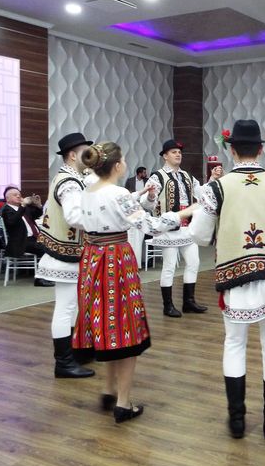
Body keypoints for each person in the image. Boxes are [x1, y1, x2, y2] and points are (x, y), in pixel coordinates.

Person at [189, 120, 265, 439]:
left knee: (234, 344)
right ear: (260, 150)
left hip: (235, 279)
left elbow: (199, 235)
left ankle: (237, 421)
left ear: (232, 151)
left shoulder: (216, 188)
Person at [75, 141, 195, 424]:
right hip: (116, 259)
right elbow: (150, 225)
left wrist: (137, 196)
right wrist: (185, 213)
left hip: (92, 258)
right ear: (117, 165)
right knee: (124, 327)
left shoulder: (87, 191)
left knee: (105, 324)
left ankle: (108, 390)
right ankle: (123, 402)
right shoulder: (118, 194)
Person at [35, 132, 97, 379]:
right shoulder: (69, 182)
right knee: (65, 307)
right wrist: (101, 220)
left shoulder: (74, 178)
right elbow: (74, 216)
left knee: (72, 306)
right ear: (72, 155)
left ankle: (73, 353)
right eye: (85, 152)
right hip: (65, 254)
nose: (89, 156)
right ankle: (63, 362)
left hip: (70, 251)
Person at [142, 139, 223, 317]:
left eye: (179, 152)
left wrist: (212, 179)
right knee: (169, 266)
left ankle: (189, 301)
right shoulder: (157, 177)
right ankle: (168, 305)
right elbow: (146, 204)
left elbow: (201, 193)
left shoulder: (186, 176)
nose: (178, 154)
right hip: (168, 229)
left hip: (187, 228)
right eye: (173, 152)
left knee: (194, 263)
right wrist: (151, 196)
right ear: (165, 156)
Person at [0, 186, 51, 287]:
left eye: (19, 194)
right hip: (21, 241)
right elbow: (12, 222)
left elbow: (36, 215)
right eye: (15, 195)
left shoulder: (22, 208)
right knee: (45, 248)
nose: (18, 196)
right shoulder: (6, 209)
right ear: (8, 198)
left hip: (34, 238)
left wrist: (38, 205)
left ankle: (47, 275)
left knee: (52, 245)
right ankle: (39, 279)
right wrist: (23, 205)